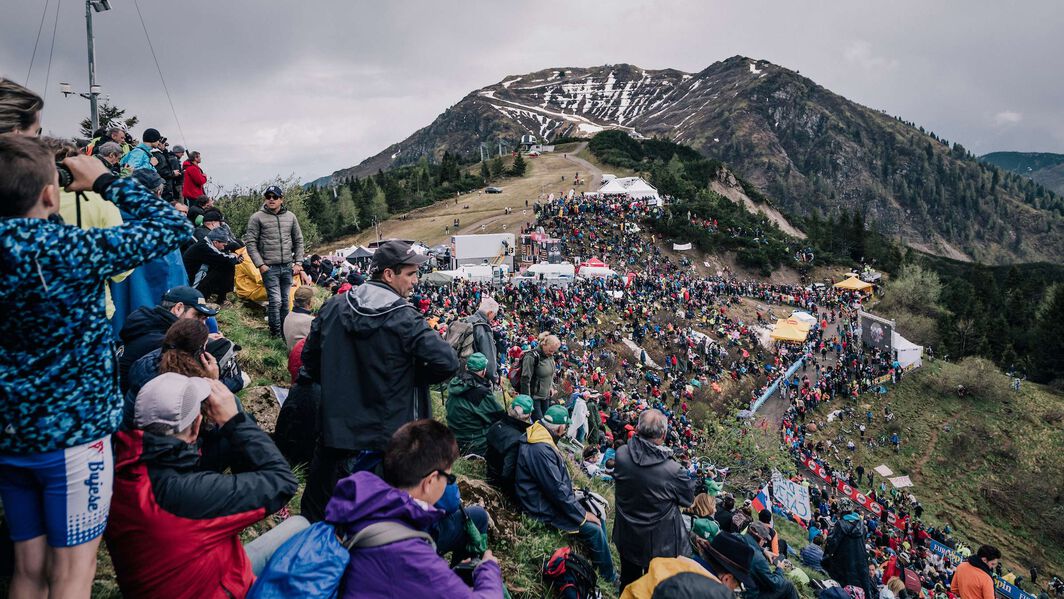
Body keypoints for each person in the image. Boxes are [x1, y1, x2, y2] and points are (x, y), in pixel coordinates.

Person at [0, 133, 191, 599]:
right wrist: (106, 180)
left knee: (28, 571)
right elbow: (172, 225)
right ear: (51, 194)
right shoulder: (74, 249)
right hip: (76, 437)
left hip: (10, 433)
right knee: (72, 576)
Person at [300, 239, 458, 522]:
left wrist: (340, 380)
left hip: (335, 430)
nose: (415, 281)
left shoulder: (333, 306)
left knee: (317, 515)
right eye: (410, 274)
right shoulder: (405, 318)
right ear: (388, 274)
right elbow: (447, 361)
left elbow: (310, 361)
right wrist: (413, 376)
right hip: (384, 438)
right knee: (374, 522)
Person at [106, 372, 298, 599]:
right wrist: (235, 421)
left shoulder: (120, 472)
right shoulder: (188, 493)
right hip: (219, 589)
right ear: (197, 426)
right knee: (301, 526)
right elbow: (283, 481)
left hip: (185, 575)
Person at [328, 419, 502, 598]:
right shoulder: (413, 556)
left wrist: (450, 579)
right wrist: (488, 570)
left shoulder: (359, 502)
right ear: (430, 481)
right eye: (449, 479)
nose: (448, 484)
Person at [515, 405, 616, 582]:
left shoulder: (539, 436)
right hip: (541, 508)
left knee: (597, 515)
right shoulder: (541, 450)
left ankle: (604, 565)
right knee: (594, 529)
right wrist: (582, 515)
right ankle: (609, 578)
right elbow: (557, 492)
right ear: (561, 428)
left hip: (543, 498)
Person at [613, 409, 696, 590]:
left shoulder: (621, 454)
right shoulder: (673, 471)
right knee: (657, 588)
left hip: (627, 532)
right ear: (664, 434)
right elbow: (688, 500)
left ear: (637, 428)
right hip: (661, 543)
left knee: (628, 582)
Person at [109, 168, 192, 336]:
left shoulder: (109, 223)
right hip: (154, 329)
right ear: (158, 193)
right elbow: (175, 279)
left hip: (114, 326)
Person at [118, 286, 217, 391]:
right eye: (197, 316)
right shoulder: (164, 343)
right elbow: (185, 392)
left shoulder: (148, 324)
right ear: (178, 308)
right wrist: (212, 379)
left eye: (204, 319)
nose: (202, 325)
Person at [243, 185, 304, 338]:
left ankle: (285, 334)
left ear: (281, 199)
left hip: (287, 266)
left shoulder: (291, 216)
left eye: (274, 197)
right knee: (275, 301)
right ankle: (275, 335)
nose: (271, 199)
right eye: (268, 196)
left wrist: (299, 263)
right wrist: (260, 265)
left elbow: (298, 240)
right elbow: (250, 242)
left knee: (285, 301)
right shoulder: (257, 217)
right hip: (269, 267)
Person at [446, 352, 505, 456]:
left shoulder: (455, 382)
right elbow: (499, 415)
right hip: (475, 443)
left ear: (466, 367)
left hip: (454, 438)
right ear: (483, 371)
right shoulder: (481, 392)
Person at [823, 499, 876, 599]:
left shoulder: (840, 524)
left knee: (846, 588)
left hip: (846, 560)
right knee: (863, 588)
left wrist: (827, 555)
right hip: (861, 560)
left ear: (841, 510)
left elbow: (833, 543)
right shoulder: (861, 523)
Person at [484, 394, 533, 498]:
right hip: (500, 488)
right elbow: (507, 474)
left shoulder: (496, 425)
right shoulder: (518, 440)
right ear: (528, 416)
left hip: (489, 475)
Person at [183, 227, 243, 304]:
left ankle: (221, 297)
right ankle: (219, 299)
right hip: (192, 286)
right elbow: (224, 258)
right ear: (215, 242)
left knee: (224, 264)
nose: (224, 247)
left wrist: (233, 258)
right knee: (226, 266)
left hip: (194, 279)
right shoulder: (205, 247)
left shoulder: (204, 243)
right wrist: (235, 257)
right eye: (223, 245)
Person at [520, 332, 560, 421]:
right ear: (544, 345)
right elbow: (525, 379)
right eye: (550, 350)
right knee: (540, 424)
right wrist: (526, 401)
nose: (552, 353)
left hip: (546, 397)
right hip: (534, 397)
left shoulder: (549, 356)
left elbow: (549, 374)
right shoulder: (531, 356)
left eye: (554, 351)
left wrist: (551, 387)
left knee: (547, 422)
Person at [467, 296, 501, 383]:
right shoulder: (483, 327)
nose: (494, 317)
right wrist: (495, 378)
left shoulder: (466, 320)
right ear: (490, 313)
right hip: (475, 376)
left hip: (460, 371)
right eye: (494, 314)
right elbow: (489, 356)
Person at [283, 286, 315, 351]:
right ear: (310, 302)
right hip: (303, 358)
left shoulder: (289, 315)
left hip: (293, 356)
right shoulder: (310, 321)